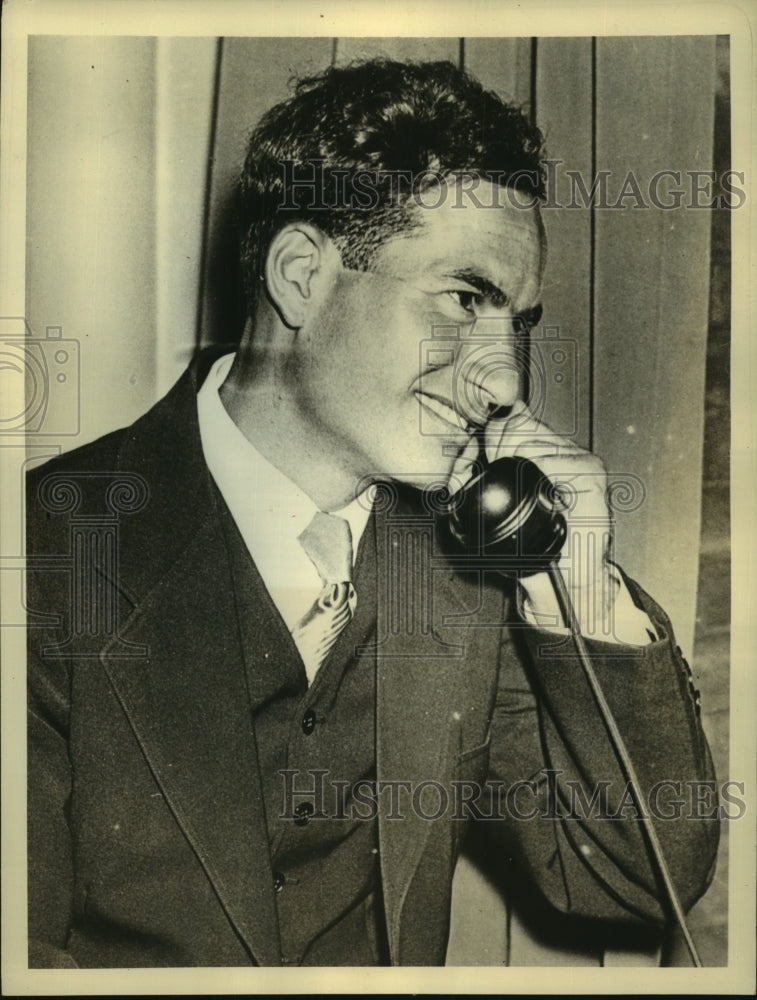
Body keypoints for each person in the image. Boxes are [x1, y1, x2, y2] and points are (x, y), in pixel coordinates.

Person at [26, 58, 718, 968]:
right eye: (465, 299)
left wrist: (578, 591)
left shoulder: (458, 565)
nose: (502, 376)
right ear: (303, 276)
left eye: (516, 324)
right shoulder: (46, 549)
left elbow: (630, 876)